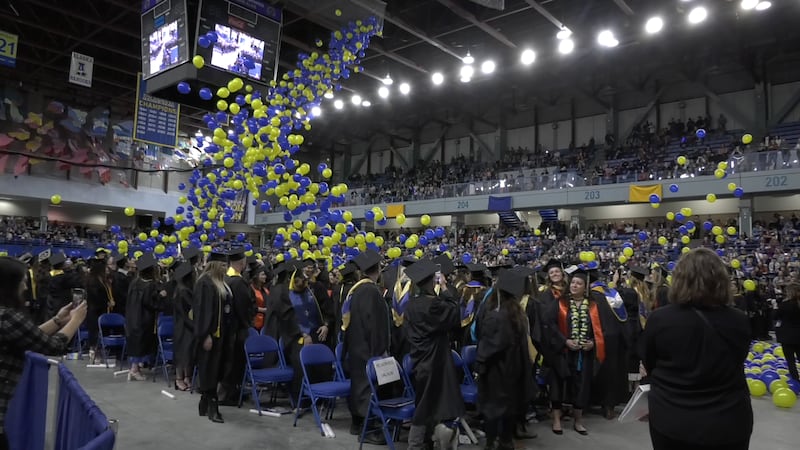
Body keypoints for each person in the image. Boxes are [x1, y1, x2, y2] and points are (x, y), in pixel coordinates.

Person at [640, 248, 752, 450]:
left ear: (680, 279)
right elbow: (738, 359)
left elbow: (650, 362)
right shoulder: (739, 320)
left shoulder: (660, 319)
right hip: (729, 419)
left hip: (672, 418)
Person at [0, 256, 87, 449]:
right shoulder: (7, 316)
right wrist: (76, 320)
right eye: (22, 282)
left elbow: (31, 336)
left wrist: (58, 320)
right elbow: (52, 346)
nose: (25, 288)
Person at [403, 259, 464, 450]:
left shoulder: (411, 304)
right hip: (435, 359)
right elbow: (454, 314)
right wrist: (445, 288)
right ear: (431, 282)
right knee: (430, 403)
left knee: (425, 401)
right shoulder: (434, 305)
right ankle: (416, 444)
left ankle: (425, 441)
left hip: (420, 358)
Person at [476, 269, 538, 450]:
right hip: (514, 368)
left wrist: (480, 364)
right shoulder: (517, 313)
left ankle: (491, 443)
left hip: (497, 370)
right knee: (509, 407)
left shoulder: (496, 315)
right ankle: (506, 441)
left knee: (493, 409)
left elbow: (490, 346)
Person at [542, 267, 606, 436]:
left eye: (579, 283)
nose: (574, 285)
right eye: (573, 283)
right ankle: (556, 420)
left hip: (583, 354)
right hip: (562, 352)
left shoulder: (594, 306)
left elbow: (601, 329)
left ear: (585, 287)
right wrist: (565, 341)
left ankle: (578, 421)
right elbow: (549, 324)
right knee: (558, 386)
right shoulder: (560, 303)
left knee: (581, 386)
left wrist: (592, 342)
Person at [342, 250, 391, 445]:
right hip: (369, 347)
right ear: (378, 270)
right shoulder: (371, 291)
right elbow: (376, 324)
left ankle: (356, 423)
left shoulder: (355, 290)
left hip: (355, 345)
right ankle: (368, 429)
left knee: (358, 385)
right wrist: (382, 349)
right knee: (367, 388)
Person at [193, 251, 231, 423]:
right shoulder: (205, 283)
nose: (226, 268)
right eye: (223, 265)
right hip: (210, 335)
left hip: (222, 334)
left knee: (216, 369)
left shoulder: (221, 282)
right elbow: (201, 311)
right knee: (209, 369)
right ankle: (212, 407)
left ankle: (204, 402)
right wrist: (205, 335)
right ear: (215, 265)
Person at [589, 268, 630, 419]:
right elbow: (623, 319)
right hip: (614, 339)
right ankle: (609, 406)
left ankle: (593, 401)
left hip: (596, 338)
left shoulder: (591, 296)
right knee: (612, 371)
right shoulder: (612, 294)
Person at [221, 249, 255, 405]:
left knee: (228, 361)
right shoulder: (238, 282)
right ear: (242, 263)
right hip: (237, 329)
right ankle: (231, 394)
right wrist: (247, 323)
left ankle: (228, 392)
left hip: (226, 328)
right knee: (235, 362)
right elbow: (243, 307)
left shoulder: (225, 278)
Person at [126, 254, 167, 381]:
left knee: (136, 343)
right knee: (140, 344)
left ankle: (135, 368)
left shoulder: (135, 282)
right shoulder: (148, 285)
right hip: (143, 319)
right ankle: (134, 370)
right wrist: (161, 296)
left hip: (132, 318)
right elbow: (150, 303)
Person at [85, 257, 114, 364]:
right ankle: (93, 353)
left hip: (101, 310)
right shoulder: (93, 280)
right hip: (94, 310)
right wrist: (107, 302)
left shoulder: (102, 279)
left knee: (99, 332)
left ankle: (99, 352)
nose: (107, 269)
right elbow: (95, 296)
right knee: (94, 332)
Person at [172, 262, 195, 391]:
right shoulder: (182, 291)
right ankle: (179, 379)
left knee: (188, 353)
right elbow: (186, 311)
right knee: (182, 353)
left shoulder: (184, 289)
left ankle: (187, 377)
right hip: (183, 325)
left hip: (185, 324)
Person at [45, 252, 82, 318]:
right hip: (62, 305)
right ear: (63, 264)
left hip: (52, 304)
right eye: (65, 260)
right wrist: (74, 269)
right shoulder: (64, 277)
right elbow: (79, 282)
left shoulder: (50, 274)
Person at [775, 282, 800, 381]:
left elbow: (776, 317)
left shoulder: (784, 305)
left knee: (790, 361)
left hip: (787, 336)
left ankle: (795, 380)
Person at [250, 266, 270, 332]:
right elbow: (250, 306)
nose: (265, 277)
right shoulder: (251, 289)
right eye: (262, 274)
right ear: (256, 276)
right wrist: (263, 310)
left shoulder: (265, 289)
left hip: (266, 322)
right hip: (255, 323)